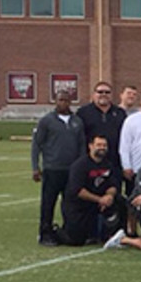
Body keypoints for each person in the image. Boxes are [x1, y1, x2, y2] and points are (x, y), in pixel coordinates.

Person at [32, 90, 85, 246]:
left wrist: (81, 166)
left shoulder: (77, 121)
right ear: (55, 101)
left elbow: (82, 145)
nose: (63, 103)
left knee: (70, 204)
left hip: (72, 170)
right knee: (48, 203)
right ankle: (45, 233)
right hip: (52, 168)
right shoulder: (46, 121)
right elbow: (36, 144)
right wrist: (35, 167)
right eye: (60, 100)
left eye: (66, 100)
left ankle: (67, 232)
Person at [57, 135, 125, 247]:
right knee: (75, 241)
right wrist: (100, 200)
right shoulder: (79, 165)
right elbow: (78, 191)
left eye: (104, 145)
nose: (102, 148)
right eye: (99, 145)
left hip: (98, 204)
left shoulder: (108, 164)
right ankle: (56, 232)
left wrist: (109, 196)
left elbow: (113, 185)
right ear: (90, 146)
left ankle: (114, 234)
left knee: (121, 201)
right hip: (79, 205)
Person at [76, 81, 127, 168]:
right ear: (93, 94)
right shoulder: (83, 112)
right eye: (100, 92)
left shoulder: (120, 113)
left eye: (107, 92)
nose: (104, 94)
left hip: (114, 161)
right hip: (91, 161)